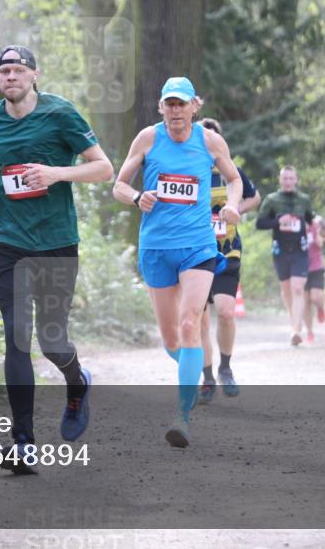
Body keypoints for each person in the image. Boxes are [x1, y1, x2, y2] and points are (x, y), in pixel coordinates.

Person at [0, 45, 113, 475]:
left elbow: (103, 167)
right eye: (4, 71)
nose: (11, 76)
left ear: (35, 75)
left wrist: (56, 174)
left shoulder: (60, 114)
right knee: (16, 335)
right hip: (8, 242)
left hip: (55, 241)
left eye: (18, 70)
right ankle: (23, 441)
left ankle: (77, 382)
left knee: (52, 341)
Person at [113, 77, 241, 448]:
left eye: (181, 104)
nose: (175, 111)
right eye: (169, 104)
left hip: (198, 246)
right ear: (161, 108)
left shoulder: (210, 140)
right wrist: (138, 197)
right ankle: (195, 368)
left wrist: (232, 205)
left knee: (190, 323)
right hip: (156, 247)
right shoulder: (148, 138)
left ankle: (181, 417)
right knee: (172, 339)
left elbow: (233, 179)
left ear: (194, 107)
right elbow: (119, 185)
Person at [196, 118, 261, 401]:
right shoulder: (189, 168)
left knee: (224, 311)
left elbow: (254, 197)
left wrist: (234, 209)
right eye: (203, 137)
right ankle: (207, 377)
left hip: (227, 247)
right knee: (199, 317)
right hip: (195, 250)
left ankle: (225, 367)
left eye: (213, 137)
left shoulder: (230, 171)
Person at [256, 166, 314, 346]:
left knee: (298, 288)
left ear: (296, 180)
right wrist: (277, 222)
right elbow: (260, 223)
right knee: (287, 289)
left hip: (300, 250)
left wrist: (313, 229)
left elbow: (311, 220)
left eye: (291, 178)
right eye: (285, 178)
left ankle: (296, 331)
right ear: (280, 180)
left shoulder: (304, 200)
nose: (288, 181)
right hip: (280, 250)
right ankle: (294, 320)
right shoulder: (272, 200)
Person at [303, 214, 325, 343]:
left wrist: (319, 233)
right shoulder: (297, 223)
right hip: (300, 267)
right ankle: (310, 332)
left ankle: (321, 308)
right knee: (305, 302)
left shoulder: (318, 222)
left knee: (315, 297)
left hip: (316, 266)